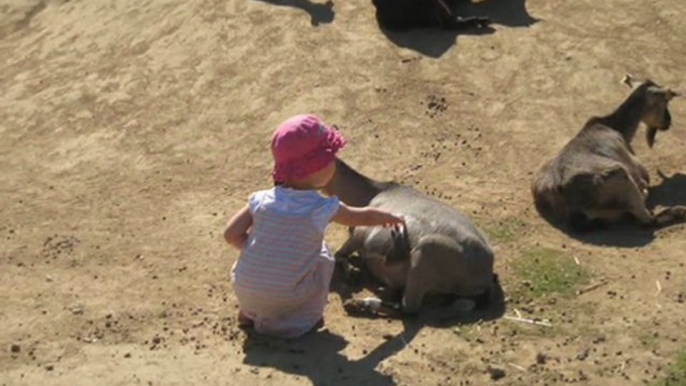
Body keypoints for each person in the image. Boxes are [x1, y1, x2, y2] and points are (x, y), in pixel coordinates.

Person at [223, 114, 405, 339]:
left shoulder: (260, 199)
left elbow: (230, 234)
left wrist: (258, 250)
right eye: (331, 159)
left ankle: (249, 313)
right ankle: (306, 317)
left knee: (254, 269)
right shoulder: (321, 206)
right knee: (323, 257)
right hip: (287, 298)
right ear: (317, 168)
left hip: (245, 290)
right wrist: (388, 217)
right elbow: (361, 217)